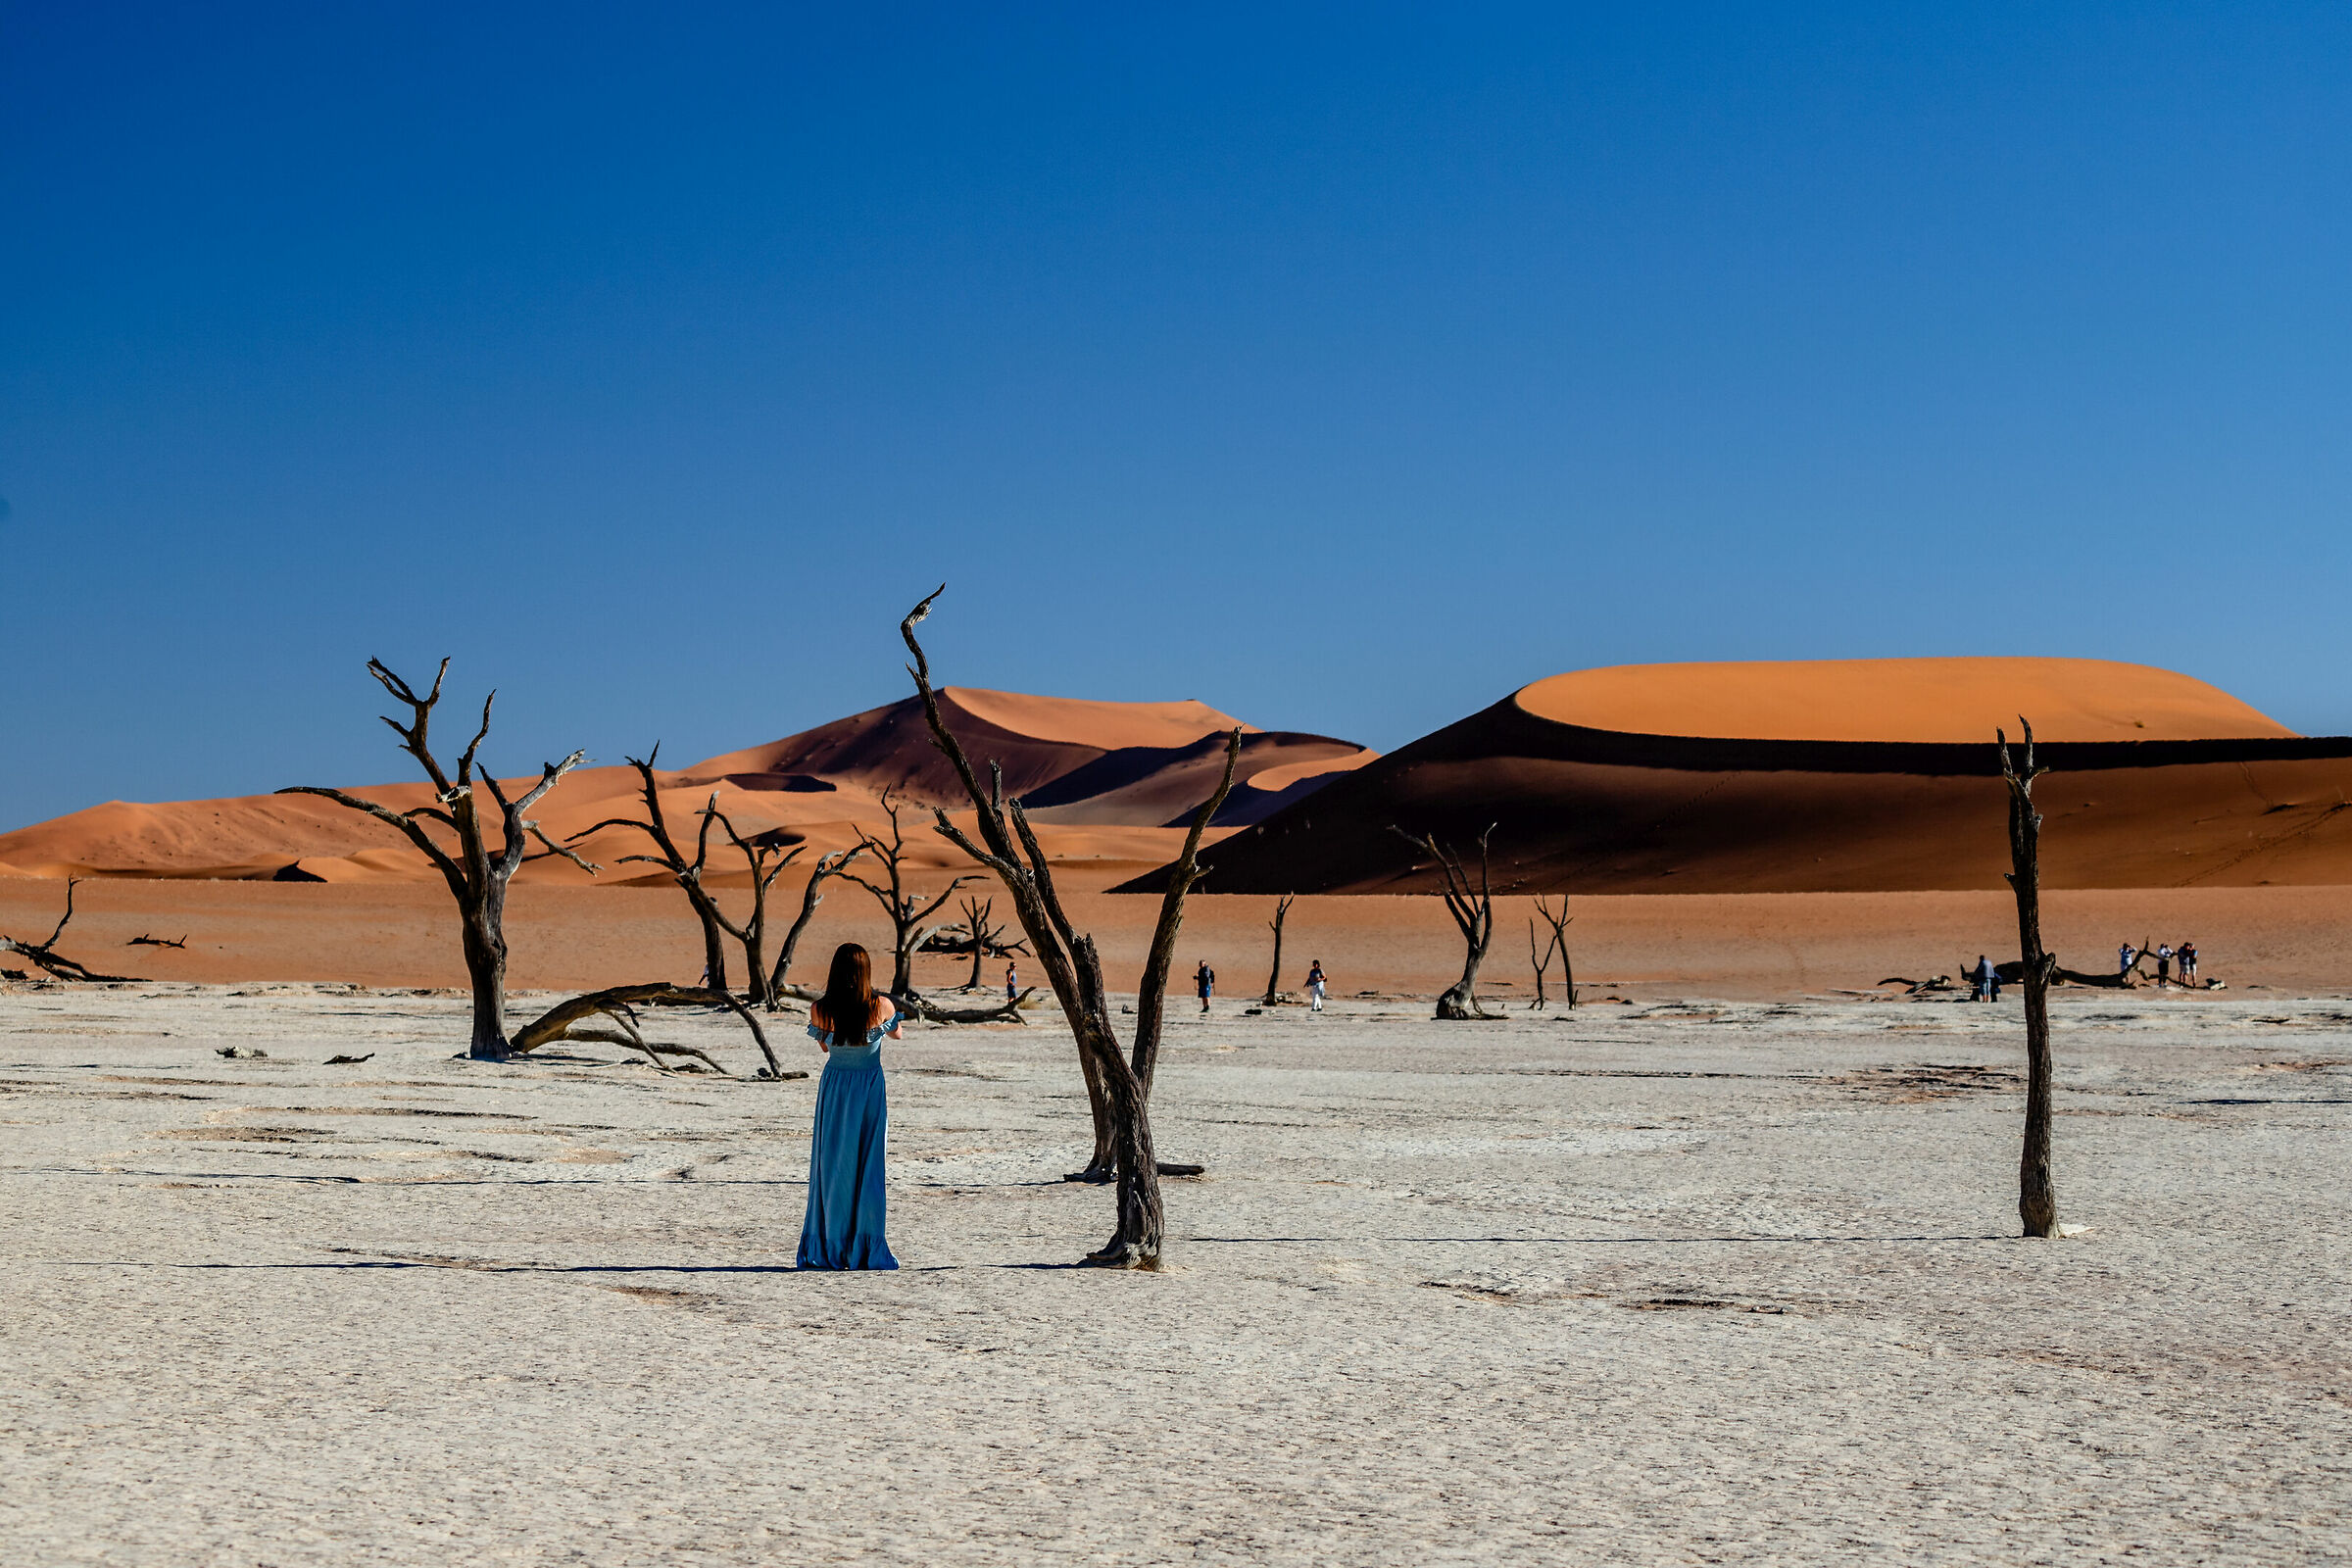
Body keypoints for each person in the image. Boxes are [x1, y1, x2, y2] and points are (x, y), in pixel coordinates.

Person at [798, 943, 901, 1271]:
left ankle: (831, 1244)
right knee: (869, 1166)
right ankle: (865, 1246)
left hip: (837, 1089)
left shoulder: (820, 1009)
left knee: (834, 1167)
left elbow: (825, 1047)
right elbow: (898, 1034)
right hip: (869, 1087)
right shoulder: (882, 1005)